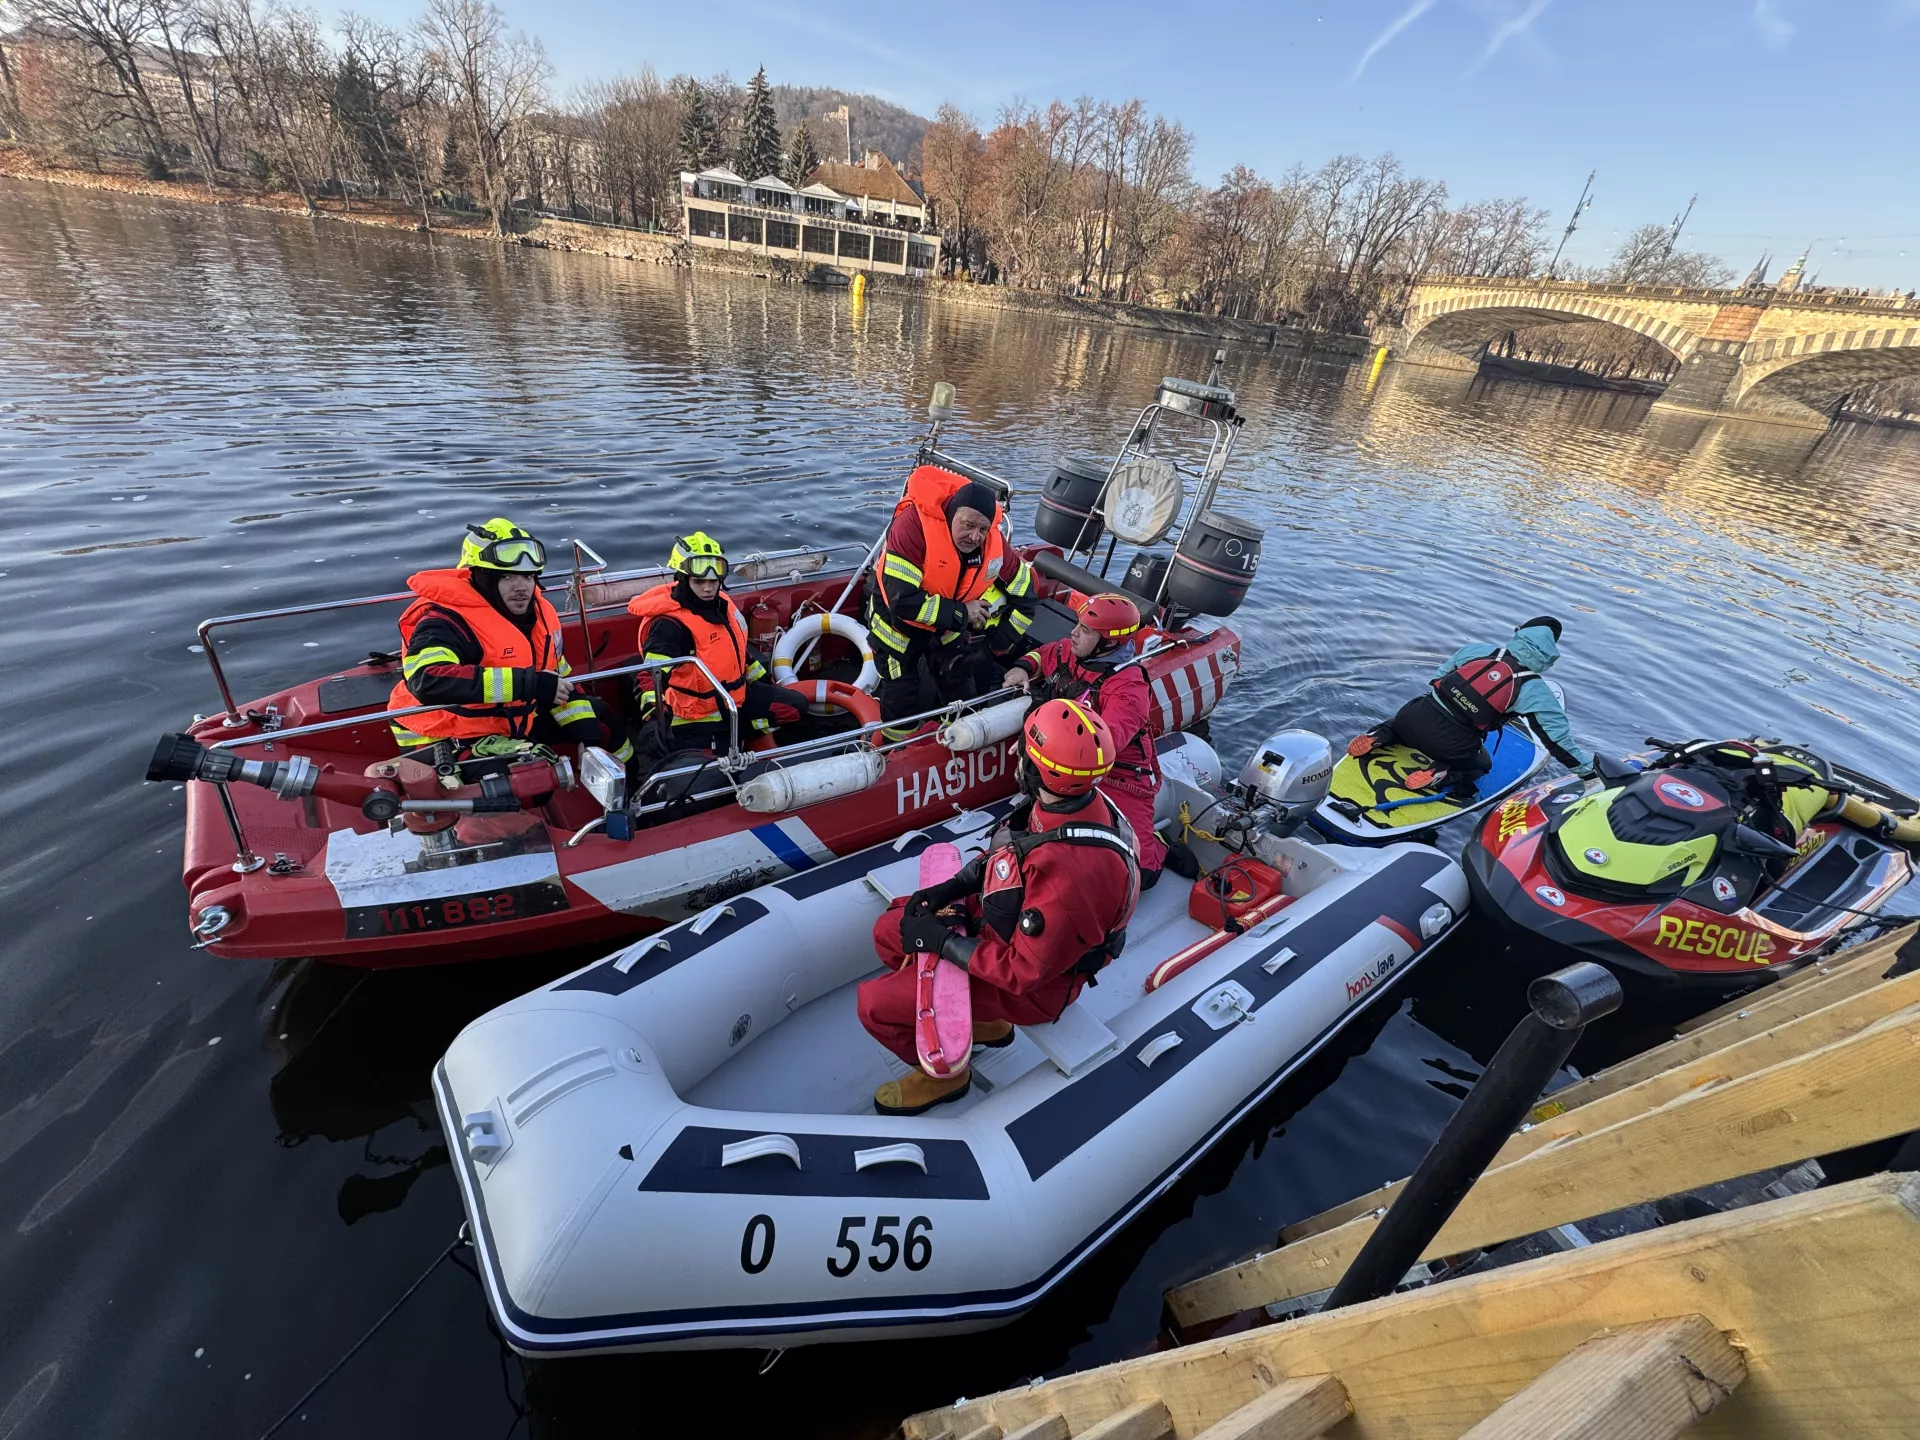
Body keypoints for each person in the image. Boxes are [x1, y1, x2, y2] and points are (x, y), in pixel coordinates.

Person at [858, 699, 1141, 1115]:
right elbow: (1011, 852)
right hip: (1005, 924)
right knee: (890, 930)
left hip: (1035, 987)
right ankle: (986, 1024)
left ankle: (947, 1074)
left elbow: (1023, 971)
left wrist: (941, 942)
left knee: (874, 1005)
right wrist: (949, 889)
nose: (1014, 754)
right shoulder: (1063, 803)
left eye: (1023, 750)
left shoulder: (1071, 875)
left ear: (1042, 771)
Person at [390, 518, 632, 762]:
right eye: (507, 577)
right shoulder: (444, 621)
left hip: (509, 722)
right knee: (531, 774)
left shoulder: (539, 616)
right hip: (446, 735)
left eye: (528, 577)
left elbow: (558, 677)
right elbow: (427, 680)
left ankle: (636, 791)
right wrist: (530, 684)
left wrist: (586, 733)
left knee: (601, 720)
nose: (522, 587)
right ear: (482, 578)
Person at [1002, 591, 1198, 888]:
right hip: (1067, 765)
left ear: (1108, 643)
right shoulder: (1074, 651)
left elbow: (1101, 749)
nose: (1073, 633)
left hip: (1117, 776)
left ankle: (1159, 846)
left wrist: (1034, 749)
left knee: (1141, 874)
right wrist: (1023, 668)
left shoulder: (1127, 689)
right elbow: (1045, 654)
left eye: (1085, 630)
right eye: (1077, 625)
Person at [868, 465, 1038, 739]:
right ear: (950, 515)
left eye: (983, 528)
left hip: (948, 628)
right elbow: (903, 600)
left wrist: (999, 643)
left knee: (961, 687)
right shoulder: (913, 527)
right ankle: (897, 753)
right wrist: (963, 612)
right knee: (900, 698)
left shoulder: (994, 545)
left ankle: (958, 740)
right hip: (897, 629)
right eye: (968, 525)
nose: (975, 537)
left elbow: (1027, 594)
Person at [1348, 616, 1592, 798]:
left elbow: (1439, 677)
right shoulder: (1536, 691)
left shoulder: (1478, 650)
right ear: (1548, 655)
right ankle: (1440, 774)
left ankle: (1378, 736)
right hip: (1452, 744)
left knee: (1398, 723)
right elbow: (1558, 743)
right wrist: (1589, 773)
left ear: (1519, 633)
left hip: (1413, 716)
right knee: (1481, 765)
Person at [627, 531, 810, 754]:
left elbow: (739, 653)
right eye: (699, 581)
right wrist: (653, 718)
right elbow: (649, 675)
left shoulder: (722, 604)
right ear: (682, 579)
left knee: (795, 707)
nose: (708, 588)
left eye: (714, 581)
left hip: (738, 699)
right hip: (696, 714)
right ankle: (721, 738)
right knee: (716, 774)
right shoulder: (669, 626)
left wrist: (764, 683)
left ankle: (742, 730)